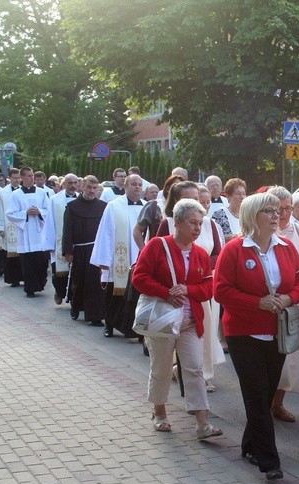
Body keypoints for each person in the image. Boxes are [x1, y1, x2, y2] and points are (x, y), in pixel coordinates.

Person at [213, 193, 299, 481]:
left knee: (265, 395)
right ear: (252, 216)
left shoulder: (287, 247)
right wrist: (258, 302)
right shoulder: (235, 250)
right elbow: (221, 291)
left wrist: (289, 298)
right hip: (244, 334)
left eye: (277, 210)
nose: (275, 215)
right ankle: (269, 462)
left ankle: (249, 445)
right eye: (268, 211)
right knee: (256, 396)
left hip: (277, 332)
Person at [132, 198, 224, 441]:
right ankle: (159, 412)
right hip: (162, 322)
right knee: (161, 369)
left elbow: (208, 288)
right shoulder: (156, 246)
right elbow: (139, 278)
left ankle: (202, 423)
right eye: (193, 223)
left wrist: (188, 291)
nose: (197, 228)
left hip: (190, 322)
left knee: (194, 369)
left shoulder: (201, 254)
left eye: (200, 224)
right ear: (178, 222)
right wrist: (166, 292)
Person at [156, 182, 225, 391]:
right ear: (175, 202)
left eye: (196, 198)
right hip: (173, 291)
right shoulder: (167, 223)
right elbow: (156, 255)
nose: (193, 203)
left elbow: (217, 255)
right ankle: (177, 370)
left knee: (203, 331)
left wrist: (200, 269)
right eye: (187, 199)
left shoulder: (209, 224)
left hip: (201, 287)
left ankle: (203, 374)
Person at [267, 186, 299, 423]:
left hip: (294, 302)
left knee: (292, 354)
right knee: (271, 354)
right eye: (280, 209)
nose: (284, 213)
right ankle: (264, 401)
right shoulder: (264, 230)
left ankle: (278, 403)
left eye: (288, 208)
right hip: (271, 302)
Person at [90, 174, 145, 338]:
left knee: (136, 296)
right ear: (126, 186)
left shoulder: (147, 206)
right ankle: (110, 323)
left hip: (139, 258)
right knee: (115, 295)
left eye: (140, 185)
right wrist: (104, 260)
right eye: (133, 184)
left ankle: (133, 328)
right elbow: (105, 233)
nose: (137, 187)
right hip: (118, 259)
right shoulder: (113, 206)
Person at [62, 176, 108, 324]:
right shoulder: (72, 206)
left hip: (97, 249)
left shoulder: (103, 206)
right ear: (82, 187)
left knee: (95, 283)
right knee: (79, 281)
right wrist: (68, 251)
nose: (92, 191)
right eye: (89, 187)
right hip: (80, 250)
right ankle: (76, 306)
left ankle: (95, 316)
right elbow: (67, 230)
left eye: (95, 188)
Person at [7, 167, 51, 297]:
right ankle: (30, 288)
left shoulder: (41, 192)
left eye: (32, 175)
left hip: (39, 232)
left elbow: (48, 210)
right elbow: (10, 214)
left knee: (42, 262)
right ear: (22, 178)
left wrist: (40, 212)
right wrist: (25, 213)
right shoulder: (16, 194)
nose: (31, 178)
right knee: (28, 263)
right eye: (28, 176)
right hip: (25, 232)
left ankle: (41, 283)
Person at [45, 173, 79, 305]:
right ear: (63, 184)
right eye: (69, 183)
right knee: (59, 272)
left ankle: (72, 297)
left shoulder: (81, 199)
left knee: (75, 272)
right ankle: (59, 292)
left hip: (76, 241)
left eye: (75, 183)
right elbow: (50, 221)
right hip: (59, 240)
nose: (73, 185)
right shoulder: (55, 200)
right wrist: (50, 243)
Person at [134, 174, 185, 249]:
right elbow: (137, 230)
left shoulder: (185, 209)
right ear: (167, 188)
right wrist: (144, 250)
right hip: (155, 252)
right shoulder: (154, 206)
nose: (178, 190)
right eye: (176, 186)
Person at [0, 168, 24, 287]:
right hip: (8, 227)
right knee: (11, 255)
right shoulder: (3, 192)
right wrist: (0, 228)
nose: (17, 180)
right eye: (14, 178)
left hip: (22, 226)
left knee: (23, 253)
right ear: (9, 178)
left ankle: (23, 277)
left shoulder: (24, 191)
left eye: (18, 178)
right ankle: (13, 279)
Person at [211, 178, 246, 242]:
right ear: (228, 196)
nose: (242, 197)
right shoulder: (219, 215)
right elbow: (213, 237)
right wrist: (226, 238)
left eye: (244, 194)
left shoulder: (248, 214)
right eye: (238, 194)